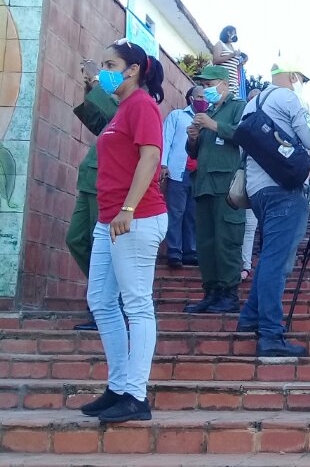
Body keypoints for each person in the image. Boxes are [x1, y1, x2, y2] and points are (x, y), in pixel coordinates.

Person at [81, 40, 167, 423]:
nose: (105, 70)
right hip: (109, 219)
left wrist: (129, 208)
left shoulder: (141, 105)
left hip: (136, 217)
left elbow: (151, 156)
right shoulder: (120, 110)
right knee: (100, 300)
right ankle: (118, 386)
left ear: (132, 69)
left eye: (110, 64)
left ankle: (136, 395)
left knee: (136, 304)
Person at [235, 62, 310, 357]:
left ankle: (249, 317)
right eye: (302, 80)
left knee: (271, 256)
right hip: (284, 190)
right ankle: (270, 334)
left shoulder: (252, 104)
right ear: (294, 77)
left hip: (257, 190)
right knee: (277, 262)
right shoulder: (288, 97)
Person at [184, 65, 247, 314]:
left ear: (223, 83)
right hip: (203, 184)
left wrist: (213, 125)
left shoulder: (238, 107)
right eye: (204, 85)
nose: (207, 89)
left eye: (210, 85)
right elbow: (195, 152)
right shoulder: (208, 111)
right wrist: (193, 138)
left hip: (227, 185)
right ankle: (210, 291)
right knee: (206, 242)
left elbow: (243, 135)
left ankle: (229, 293)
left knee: (226, 240)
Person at [66, 60, 120, 331]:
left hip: (105, 183)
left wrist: (98, 83)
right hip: (90, 178)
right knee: (76, 239)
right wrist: (90, 91)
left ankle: (107, 302)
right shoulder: (111, 98)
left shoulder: (135, 99)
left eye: (112, 65)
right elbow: (99, 123)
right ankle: (105, 294)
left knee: (102, 247)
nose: (107, 71)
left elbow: (116, 116)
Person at [160, 86, 202, 270]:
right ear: (191, 99)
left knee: (192, 214)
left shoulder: (208, 120)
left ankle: (190, 251)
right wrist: (163, 164)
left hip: (199, 174)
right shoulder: (177, 116)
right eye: (200, 96)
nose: (204, 99)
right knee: (176, 212)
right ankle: (174, 251)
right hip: (179, 171)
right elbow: (165, 139)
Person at [240, 88, 263, 281]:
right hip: (244, 181)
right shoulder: (243, 122)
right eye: (250, 99)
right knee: (247, 226)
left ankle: (250, 265)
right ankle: (243, 265)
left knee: (253, 226)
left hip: (266, 186)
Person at [212, 25, 243, 96]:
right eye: (234, 32)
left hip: (233, 82)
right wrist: (232, 55)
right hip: (223, 80)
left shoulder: (232, 47)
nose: (235, 35)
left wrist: (241, 63)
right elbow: (215, 60)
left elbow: (234, 68)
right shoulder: (220, 44)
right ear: (228, 33)